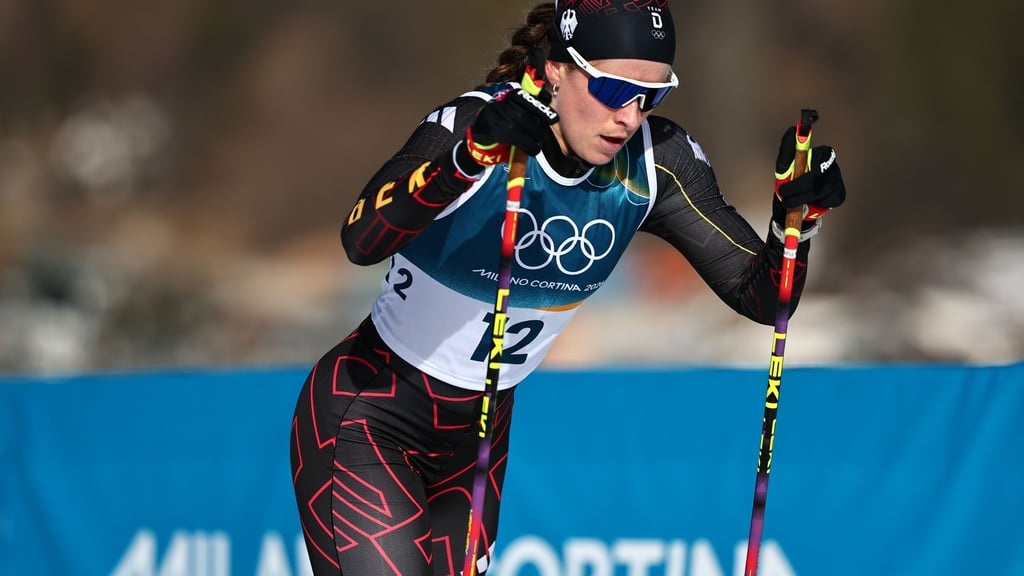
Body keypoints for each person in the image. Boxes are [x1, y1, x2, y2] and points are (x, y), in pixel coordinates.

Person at [289, 1, 846, 574]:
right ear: (557, 68)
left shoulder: (657, 162)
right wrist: (467, 160)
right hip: (369, 420)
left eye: (650, 96)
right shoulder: (478, 125)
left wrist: (793, 225)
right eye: (611, 89)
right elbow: (361, 239)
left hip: (477, 441)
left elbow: (762, 298)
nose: (629, 117)